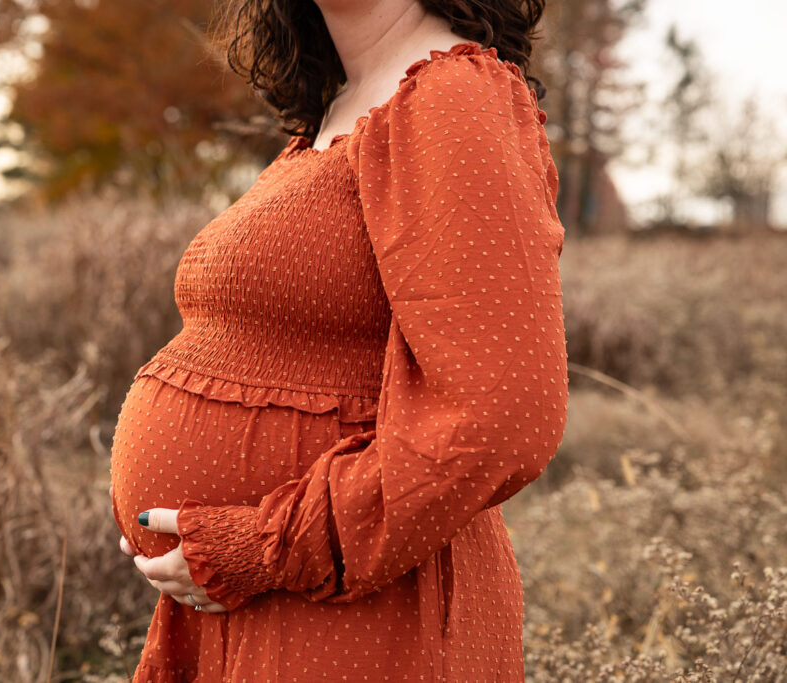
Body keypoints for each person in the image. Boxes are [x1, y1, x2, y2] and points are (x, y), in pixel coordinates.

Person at [108, 0, 567, 679]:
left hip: (359, 613)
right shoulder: (345, 107)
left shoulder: (453, 94)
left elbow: (503, 413)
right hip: (263, 605)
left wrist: (260, 545)